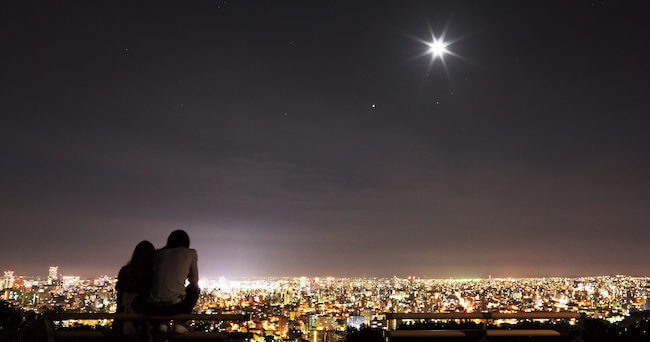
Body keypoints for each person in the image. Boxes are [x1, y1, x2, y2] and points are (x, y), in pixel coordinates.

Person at [149, 230, 200, 333]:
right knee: (195, 288)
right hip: (176, 307)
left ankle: (163, 323)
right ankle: (181, 323)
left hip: (155, 307)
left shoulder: (158, 253)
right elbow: (194, 280)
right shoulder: (191, 253)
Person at [115, 240, 155, 335]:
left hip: (123, 316)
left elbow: (120, 295)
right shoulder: (151, 274)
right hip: (142, 318)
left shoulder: (125, 271)